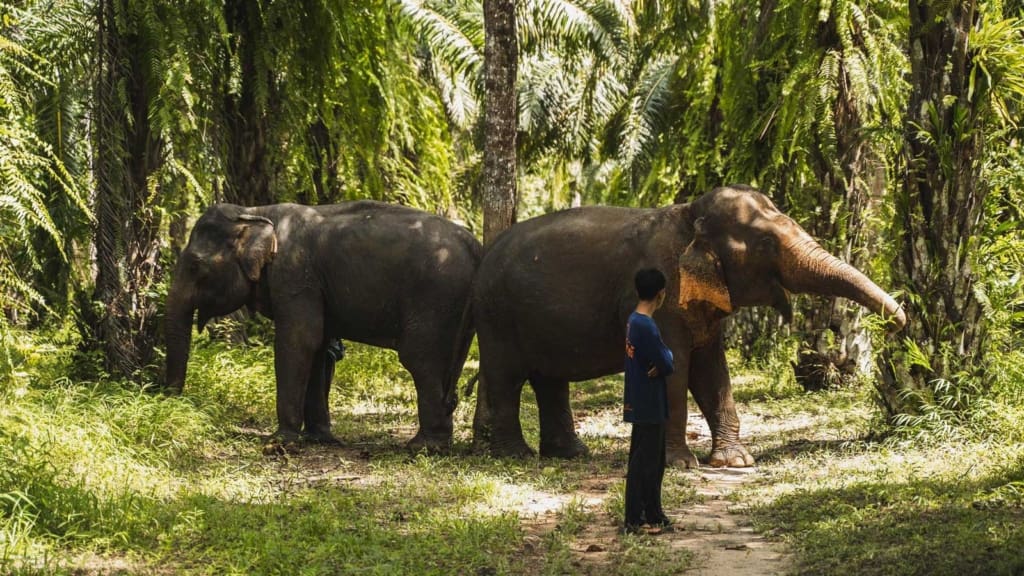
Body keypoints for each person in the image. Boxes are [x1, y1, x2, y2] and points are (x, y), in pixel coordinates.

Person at [622, 267, 676, 535]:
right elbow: (666, 361)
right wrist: (666, 359)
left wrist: (662, 360)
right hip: (649, 402)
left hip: (640, 399)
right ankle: (637, 518)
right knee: (648, 463)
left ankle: (650, 513)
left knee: (648, 460)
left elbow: (661, 360)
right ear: (661, 294)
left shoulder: (634, 320)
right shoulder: (647, 325)